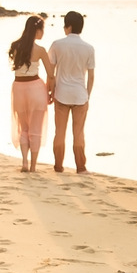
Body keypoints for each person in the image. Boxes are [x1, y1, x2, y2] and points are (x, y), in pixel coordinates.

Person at [48, 10, 95, 173]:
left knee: (59, 132)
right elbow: (91, 76)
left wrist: (50, 91)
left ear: (68, 26)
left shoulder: (57, 44)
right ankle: (81, 167)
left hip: (61, 94)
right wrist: (87, 95)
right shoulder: (89, 48)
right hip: (80, 95)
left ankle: (58, 166)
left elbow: (51, 72)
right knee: (79, 133)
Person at [8, 15, 53, 172]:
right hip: (35, 88)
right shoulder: (40, 50)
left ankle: (24, 162)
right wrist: (50, 89)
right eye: (42, 30)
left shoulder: (15, 46)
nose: (43, 33)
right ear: (37, 30)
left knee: (24, 126)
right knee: (35, 128)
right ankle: (33, 166)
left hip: (19, 88)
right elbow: (51, 73)